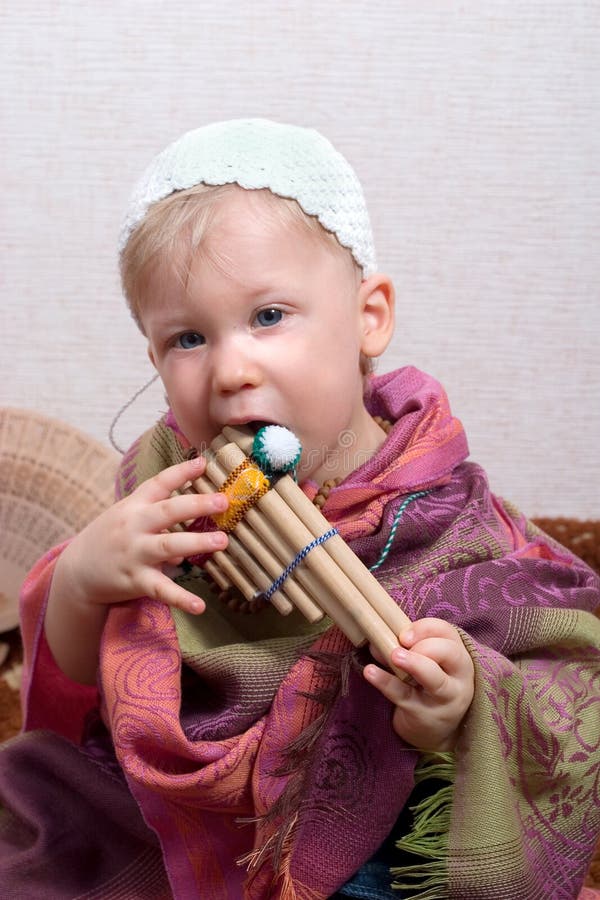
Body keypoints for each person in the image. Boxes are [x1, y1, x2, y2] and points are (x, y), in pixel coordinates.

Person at [1, 119, 599, 900]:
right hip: (160, 810)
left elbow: (562, 676)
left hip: (357, 832)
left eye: (269, 316)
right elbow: (84, 674)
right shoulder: (164, 480)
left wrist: (455, 707)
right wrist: (83, 580)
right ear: (153, 357)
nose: (231, 369)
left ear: (368, 318)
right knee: (27, 801)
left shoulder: (450, 511)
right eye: (187, 337)